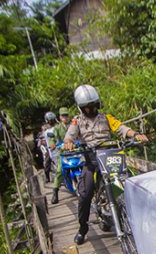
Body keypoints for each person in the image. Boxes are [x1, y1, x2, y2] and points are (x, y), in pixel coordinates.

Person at [63, 84, 148, 245]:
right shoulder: (77, 121)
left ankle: (139, 220)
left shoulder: (106, 117)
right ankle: (83, 228)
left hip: (111, 158)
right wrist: (68, 143)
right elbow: (70, 136)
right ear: (81, 108)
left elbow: (122, 128)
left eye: (94, 105)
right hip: (92, 161)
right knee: (84, 194)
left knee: (130, 184)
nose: (91, 109)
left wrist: (136, 135)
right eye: (87, 107)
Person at [42, 111, 68, 203]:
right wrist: (53, 145)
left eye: (66, 115)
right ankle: (55, 192)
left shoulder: (64, 126)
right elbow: (51, 141)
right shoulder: (48, 131)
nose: (65, 117)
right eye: (63, 116)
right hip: (57, 152)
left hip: (68, 150)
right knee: (58, 170)